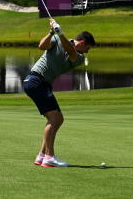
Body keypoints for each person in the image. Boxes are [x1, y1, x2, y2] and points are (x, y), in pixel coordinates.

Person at [22, 20, 95, 167]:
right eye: (88, 47)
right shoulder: (56, 39)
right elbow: (41, 46)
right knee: (54, 118)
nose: (88, 51)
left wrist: (60, 33)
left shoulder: (79, 57)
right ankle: (49, 157)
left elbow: (71, 52)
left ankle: (41, 155)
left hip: (42, 84)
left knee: (58, 118)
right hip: (36, 80)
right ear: (82, 42)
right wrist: (51, 33)